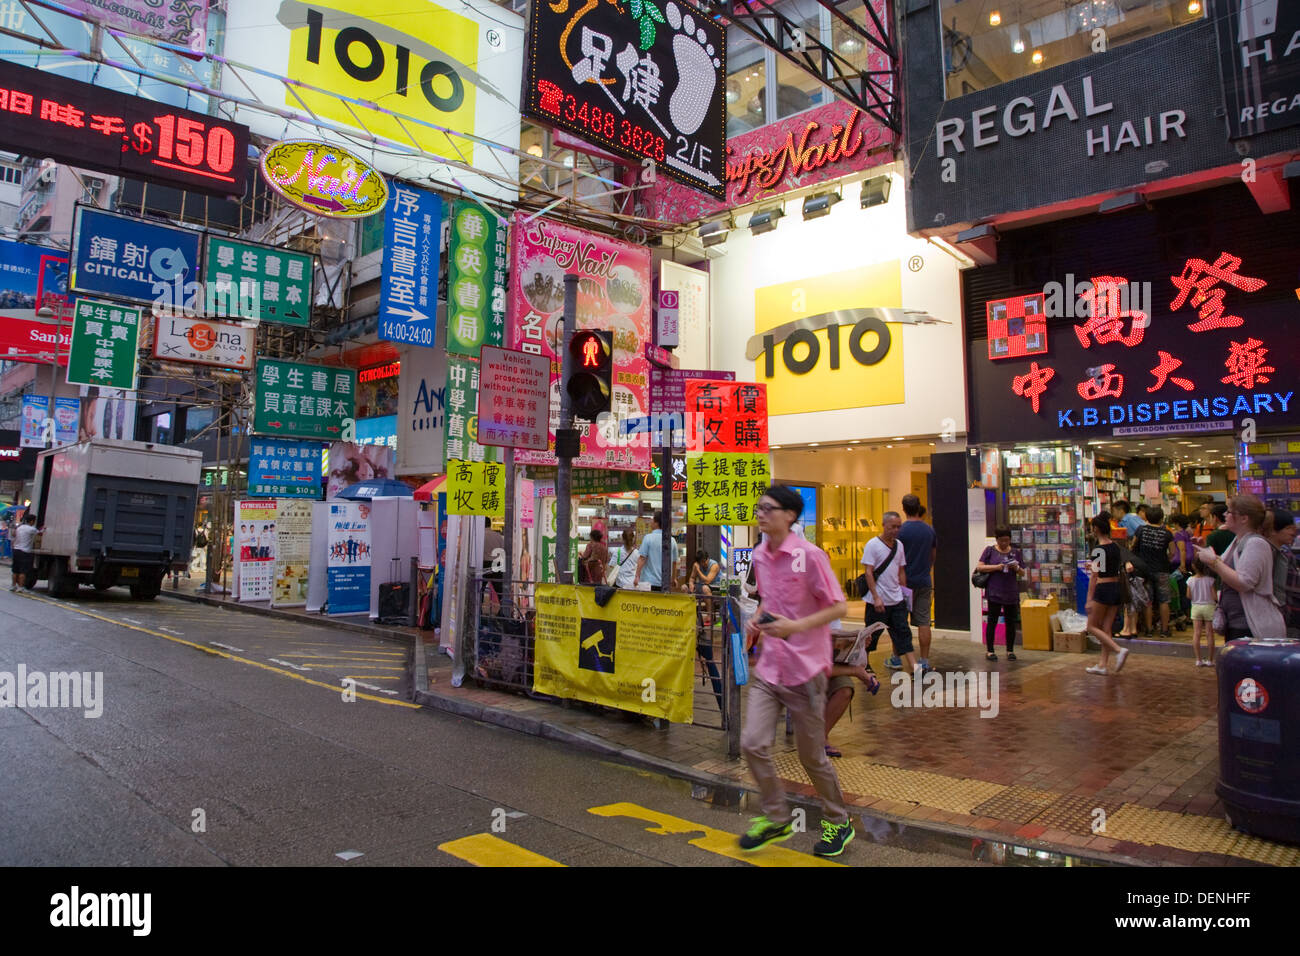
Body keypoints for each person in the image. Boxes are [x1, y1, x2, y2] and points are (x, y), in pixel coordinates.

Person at [738, 485, 855, 858]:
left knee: (811, 758)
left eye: (768, 509)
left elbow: (838, 607)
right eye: (758, 508)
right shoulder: (759, 554)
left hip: (806, 671)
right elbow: (769, 602)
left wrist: (795, 627)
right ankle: (775, 817)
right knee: (752, 743)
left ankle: (839, 821)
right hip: (770, 668)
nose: (760, 514)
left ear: (790, 516)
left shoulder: (810, 556)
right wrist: (757, 620)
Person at [1196, 495, 1285, 641]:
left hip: (1250, 623)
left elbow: (1244, 582)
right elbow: (1222, 566)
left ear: (1244, 518)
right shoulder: (1238, 540)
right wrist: (1206, 554)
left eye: (1230, 512)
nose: (1225, 515)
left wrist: (1214, 562)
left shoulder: (1255, 543)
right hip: (1236, 621)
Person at [860, 511, 916, 675]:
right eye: (893, 527)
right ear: (884, 525)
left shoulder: (899, 545)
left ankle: (914, 667)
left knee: (903, 632)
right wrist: (876, 597)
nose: (896, 530)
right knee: (871, 634)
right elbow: (868, 572)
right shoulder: (873, 545)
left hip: (896, 599)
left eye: (899, 527)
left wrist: (905, 593)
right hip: (878, 601)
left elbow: (901, 571)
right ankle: (864, 663)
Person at [823, 623, 884, 758]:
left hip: (828, 668)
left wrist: (860, 644)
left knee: (844, 689)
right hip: (804, 669)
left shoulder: (833, 612)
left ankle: (821, 736)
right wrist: (857, 672)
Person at [1083, 514, 1130, 675]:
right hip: (1116, 587)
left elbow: (1095, 576)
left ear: (1096, 529)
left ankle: (1119, 650)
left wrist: (1089, 599)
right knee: (1106, 627)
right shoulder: (1115, 546)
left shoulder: (1098, 549)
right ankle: (1102, 664)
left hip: (1103, 588)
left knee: (1091, 626)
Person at [896, 493, 937, 672]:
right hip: (924, 580)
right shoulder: (929, 530)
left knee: (899, 622)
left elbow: (896, 559)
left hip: (904, 583)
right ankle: (924, 660)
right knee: (923, 622)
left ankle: (896, 658)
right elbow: (933, 556)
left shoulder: (901, 531)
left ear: (904, 509)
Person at [975, 527, 1023, 661]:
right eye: (1002, 541)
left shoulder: (1015, 552)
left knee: (1010, 622)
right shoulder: (989, 551)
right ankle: (990, 650)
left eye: (1007, 540)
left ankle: (1010, 650)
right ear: (997, 540)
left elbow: (1023, 572)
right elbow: (980, 567)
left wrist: (1016, 567)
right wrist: (997, 567)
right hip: (994, 591)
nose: (1004, 543)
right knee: (992, 620)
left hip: (1010, 591)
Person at [1133, 505, 1174, 638]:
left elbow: (1133, 546)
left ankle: (1149, 629)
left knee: (1148, 600)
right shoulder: (1167, 533)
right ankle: (1164, 629)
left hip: (1145, 570)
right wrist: (1165, 558)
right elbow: (1172, 552)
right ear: (1161, 518)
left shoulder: (1141, 530)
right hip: (1162, 569)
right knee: (1164, 600)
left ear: (1147, 517)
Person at [634, 511, 679, 591]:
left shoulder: (648, 538)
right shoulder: (672, 540)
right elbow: (674, 562)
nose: (651, 521)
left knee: (649, 603)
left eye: (652, 519)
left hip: (648, 582)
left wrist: (637, 576)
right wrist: (674, 578)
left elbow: (642, 558)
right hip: (665, 583)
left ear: (656, 523)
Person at [1186, 559, 1218, 667]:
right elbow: (1214, 596)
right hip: (1209, 606)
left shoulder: (1190, 580)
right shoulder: (1210, 580)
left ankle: (1198, 660)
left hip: (1196, 606)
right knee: (1209, 634)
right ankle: (1210, 660)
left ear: (1193, 566)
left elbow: (1189, 596)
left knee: (1197, 633)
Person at [482, 517, 505, 610]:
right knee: (500, 590)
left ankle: (478, 612)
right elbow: (503, 551)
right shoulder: (498, 536)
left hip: (484, 564)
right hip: (497, 564)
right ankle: (504, 612)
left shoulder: (479, 536)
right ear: (490, 524)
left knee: (480, 588)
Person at [11, 514, 37, 591]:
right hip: (25, 552)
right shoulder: (32, 529)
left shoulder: (19, 528)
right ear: (32, 521)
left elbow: (13, 534)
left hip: (16, 550)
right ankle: (21, 587)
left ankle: (13, 586)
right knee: (23, 571)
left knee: (15, 570)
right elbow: (40, 532)